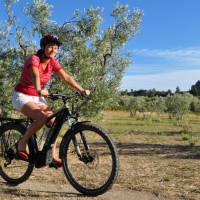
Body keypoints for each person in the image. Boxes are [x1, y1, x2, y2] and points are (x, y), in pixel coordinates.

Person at [12, 34, 90, 167]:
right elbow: (35, 73)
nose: (53, 50)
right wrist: (39, 89)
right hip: (22, 95)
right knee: (42, 118)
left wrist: (81, 90)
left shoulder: (52, 62)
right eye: (50, 47)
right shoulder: (34, 58)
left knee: (54, 122)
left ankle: (51, 156)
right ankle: (22, 143)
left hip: (37, 97)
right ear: (43, 47)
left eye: (56, 47)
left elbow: (66, 77)